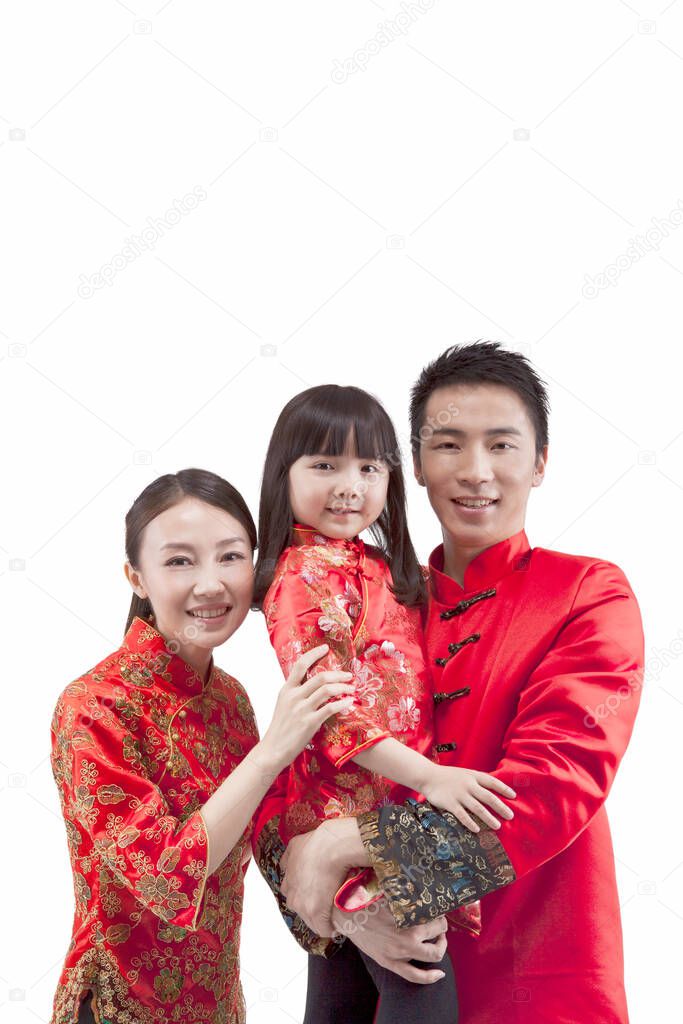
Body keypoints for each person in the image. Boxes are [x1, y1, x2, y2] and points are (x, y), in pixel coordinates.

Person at [253, 343, 645, 1024]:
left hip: (542, 985)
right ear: (417, 466)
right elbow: (298, 765)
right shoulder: (370, 597)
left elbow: (550, 791)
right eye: (448, 446)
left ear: (539, 462)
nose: (475, 472)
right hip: (394, 984)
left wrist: (345, 850)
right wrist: (349, 919)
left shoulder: (586, 592)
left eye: (501, 445)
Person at [49, 468, 356, 1024]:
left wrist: (360, 913)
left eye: (230, 557)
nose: (210, 583)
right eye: (179, 561)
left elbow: (268, 841)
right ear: (135, 576)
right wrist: (271, 755)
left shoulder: (231, 699)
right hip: (120, 1006)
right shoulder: (93, 706)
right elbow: (166, 877)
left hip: (217, 1005)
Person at [251, 385, 517, 1023]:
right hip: (349, 809)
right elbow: (331, 712)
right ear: (280, 474)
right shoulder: (299, 574)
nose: (349, 485)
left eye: (369, 467)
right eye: (324, 465)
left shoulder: (382, 565)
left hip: (396, 803)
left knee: (347, 991)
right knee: (422, 976)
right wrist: (430, 776)